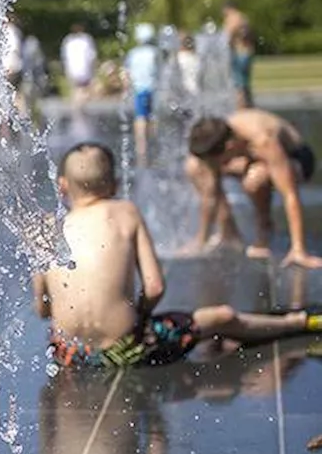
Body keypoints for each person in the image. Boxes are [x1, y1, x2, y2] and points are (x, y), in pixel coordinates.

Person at [34, 142, 321, 369]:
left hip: (69, 354)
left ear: (62, 185)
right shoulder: (124, 212)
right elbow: (156, 287)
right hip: (126, 349)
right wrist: (140, 315)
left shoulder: (46, 228)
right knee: (222, 316)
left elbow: (43, 310)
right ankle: (297, 323)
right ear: (115, 184)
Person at [184, 110, 320, 267]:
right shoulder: (221, 136)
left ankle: (265, 229)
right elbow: (210, 196)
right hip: (251, 158)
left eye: (217, 161)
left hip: (296, 158)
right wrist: (201, 240)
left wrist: (299, 250)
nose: (216, 165)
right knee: (194, 167)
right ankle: (228, 232)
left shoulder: (263, 141)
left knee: (255, 179)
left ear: (229, 146)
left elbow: (290, 194)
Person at [124, 23, 161, 166]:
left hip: (139, 88)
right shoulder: (154, 52)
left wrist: (127, 87)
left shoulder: (133, 53)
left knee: (140, 117)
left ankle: (141, 146)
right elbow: (160, 71)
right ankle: (154, 142)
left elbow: (127, 72)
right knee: (152, 116)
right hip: (152, 88)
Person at [60, 23, 98, 113]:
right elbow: (92, 56)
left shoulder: (68, 40)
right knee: (85, 90)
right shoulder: (86, 40)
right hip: (84, 70)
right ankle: (79, 108)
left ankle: (76, 108)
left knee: (76, 89)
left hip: (72, 70)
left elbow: (64, 56)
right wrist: (93, 69)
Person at [231, 24, 255, 108]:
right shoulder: (234, 49)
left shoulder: (247, 51)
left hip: (241, 85)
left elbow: (242, 66)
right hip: (236, 85)